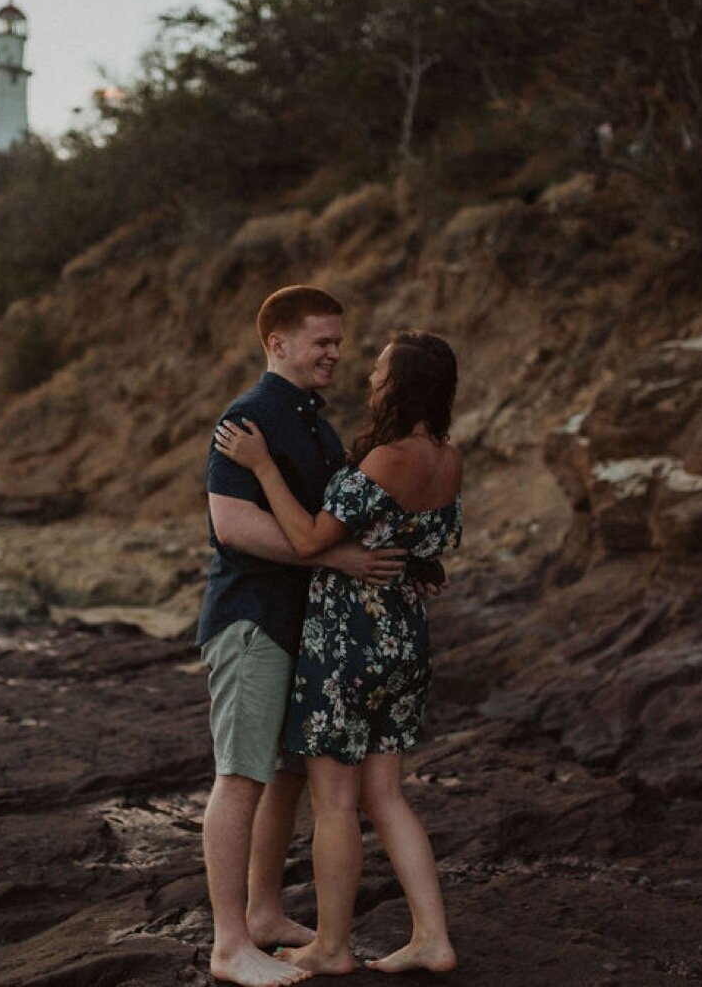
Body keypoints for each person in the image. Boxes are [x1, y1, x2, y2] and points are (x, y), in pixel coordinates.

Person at [214, 331, 462, 977]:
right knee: (387, 794)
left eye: (380, 370)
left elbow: (307, 538)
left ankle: (331, 945)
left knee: (333, 803)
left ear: (401, 385)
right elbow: (429, 541)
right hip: (405, 635)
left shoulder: (388, 456)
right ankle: (432, 937)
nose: (370, 378)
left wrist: (263, 465)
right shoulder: (447, 455)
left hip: (349, 637)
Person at [197, 285, 410, 987]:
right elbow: (233, 527)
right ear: (277, 343)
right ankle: (230, 946)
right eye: (321, 341)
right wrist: (333, 557)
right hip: (252, 622)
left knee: (284, 777)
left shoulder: (311, 421)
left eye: (338, 341)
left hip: (306, 631)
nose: (335, 353)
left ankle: (262, 914)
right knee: (240, 778)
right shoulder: (248, 416)